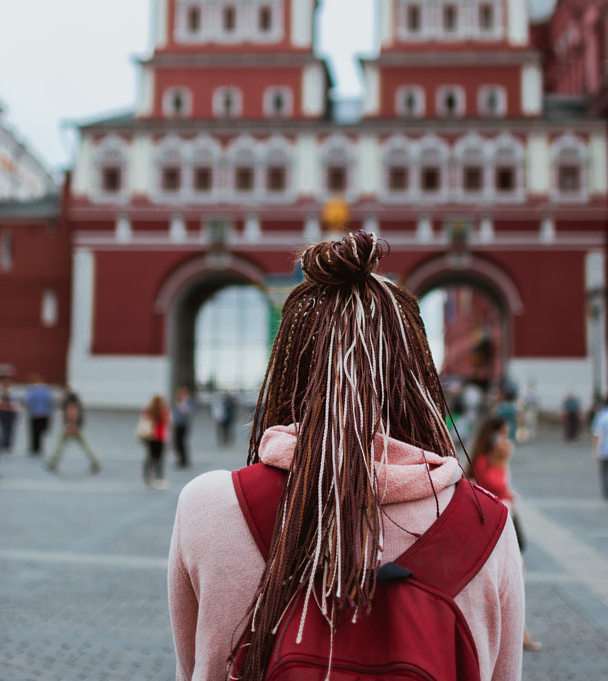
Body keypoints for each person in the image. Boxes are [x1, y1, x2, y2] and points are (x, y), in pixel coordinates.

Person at [169, 231, 525, 681]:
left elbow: (191, 669)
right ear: (414, 369)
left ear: (288, 364)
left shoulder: (210, 504)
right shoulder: (486, 524)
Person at [467, 413, 542, 653]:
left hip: (509, 521)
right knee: (509, 579)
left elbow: (505, 487)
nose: (504, 438)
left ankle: (520, 632)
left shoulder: (498, 459)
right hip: (494, 526)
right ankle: (515, 633)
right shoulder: (481, 462)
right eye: (501, 433)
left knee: (515, 577)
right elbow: (488, 491)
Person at [47, 385, 101, 473]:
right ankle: (94, 461)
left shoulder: (70, 400)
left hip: (71, 426)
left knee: (61, 445)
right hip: (75, 426)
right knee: (84, 445)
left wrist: (71, 425)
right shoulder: (76, 400)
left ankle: (53, 462)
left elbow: (72, 413)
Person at [140, 394, 170, 489]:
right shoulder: (162, 410)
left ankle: (147, 477)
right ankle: (158, 478)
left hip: (151, 437)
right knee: (159, 459)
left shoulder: (149, 409)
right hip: (159, 437)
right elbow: (168, 421)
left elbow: (144, 419)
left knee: (150, 458)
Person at [23, 374, 54, 455]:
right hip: (44, 413)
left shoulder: (32, 390)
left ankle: (34, 447)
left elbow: (27, 401)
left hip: (34, 414)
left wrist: (29, 409)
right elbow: (50, 401)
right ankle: (40, 447)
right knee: (41, 431)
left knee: (34, 432)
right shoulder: (45, 390)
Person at [171, 387, 194, 468]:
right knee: (176, 443)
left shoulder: (188, 402)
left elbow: (189, 412)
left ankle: (184, 460)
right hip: (177, 424)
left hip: (184, 425)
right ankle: (179, 459)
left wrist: (183, 404)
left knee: (182, 443)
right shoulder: (177, 402)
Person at [0, 376, 20, 451]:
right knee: (3, 428)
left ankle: (7, 444)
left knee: (9, 428)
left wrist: (16, 410)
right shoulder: (1, 390)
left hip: (10, 411)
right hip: (2, 411)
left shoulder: (13, 391)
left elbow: (16, 402)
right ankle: (2, 443)